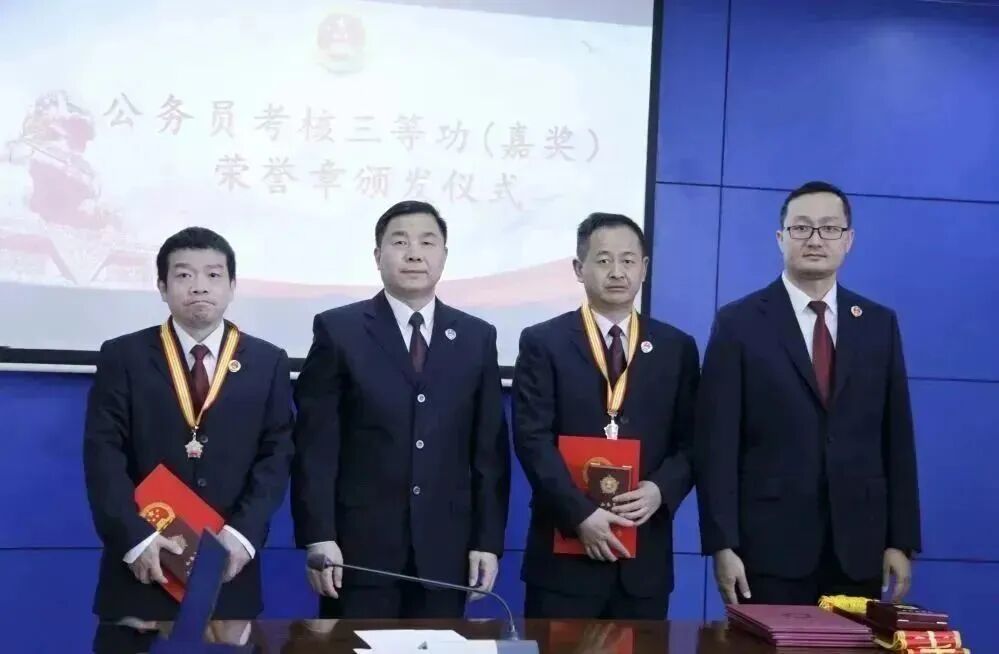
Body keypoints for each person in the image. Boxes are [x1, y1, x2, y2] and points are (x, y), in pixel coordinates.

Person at [695, 181, 920, 606]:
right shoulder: (739, 322)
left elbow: (897, 439)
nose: (815, 239)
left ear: (848, 240)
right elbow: (716, 444)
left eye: (829, 228)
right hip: (767, 549)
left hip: (860, 547)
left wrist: (901, 540)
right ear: (780, 238)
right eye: (801, 228)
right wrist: (722, 544)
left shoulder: (878, 324)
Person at [291, 200, 510, 619]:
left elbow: (489, 454)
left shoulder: (476, 337)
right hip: (358, 552)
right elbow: (316, 446)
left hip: (446, 553)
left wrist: (487, 542)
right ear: (378, 256)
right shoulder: (339, 330)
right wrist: (319, 535)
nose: (414, 254)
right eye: (400, 242)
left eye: (427, 242)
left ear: (444, 255)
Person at [83, 227, 294, 653]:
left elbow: (276, 456)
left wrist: (243, 535)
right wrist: (136, 538)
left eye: (213, 275)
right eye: (183, 275)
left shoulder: (267, 361)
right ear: (162, 287)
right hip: (142, 568)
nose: (199, 286)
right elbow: (103, 455)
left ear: (232, 286)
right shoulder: (123, 356)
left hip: (228, 568)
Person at [512, 212, 699, 619]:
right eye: (603, 260)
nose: (617, 272)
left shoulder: (676, 348)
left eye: (628, 260)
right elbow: (531, 439)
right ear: (579, 269)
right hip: (563, 558)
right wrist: (579, 514)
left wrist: (660, 490)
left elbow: (693, 441)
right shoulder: (543, 342)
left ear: (644, 268)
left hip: (643, 559)